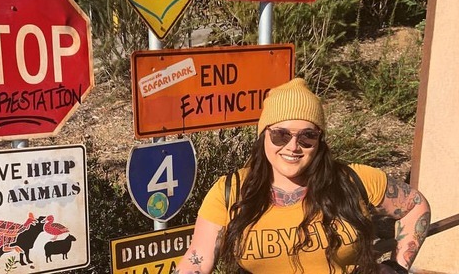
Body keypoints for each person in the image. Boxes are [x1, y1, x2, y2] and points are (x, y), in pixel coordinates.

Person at [175, 78, 430, 274]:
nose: (293, 146)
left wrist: (397, 267)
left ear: (319, 140)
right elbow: (198, 257)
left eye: (307, 136)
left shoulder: (353, 180)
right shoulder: (231, 191)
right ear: (264, 134)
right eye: (281, 135)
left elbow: (415, 206)